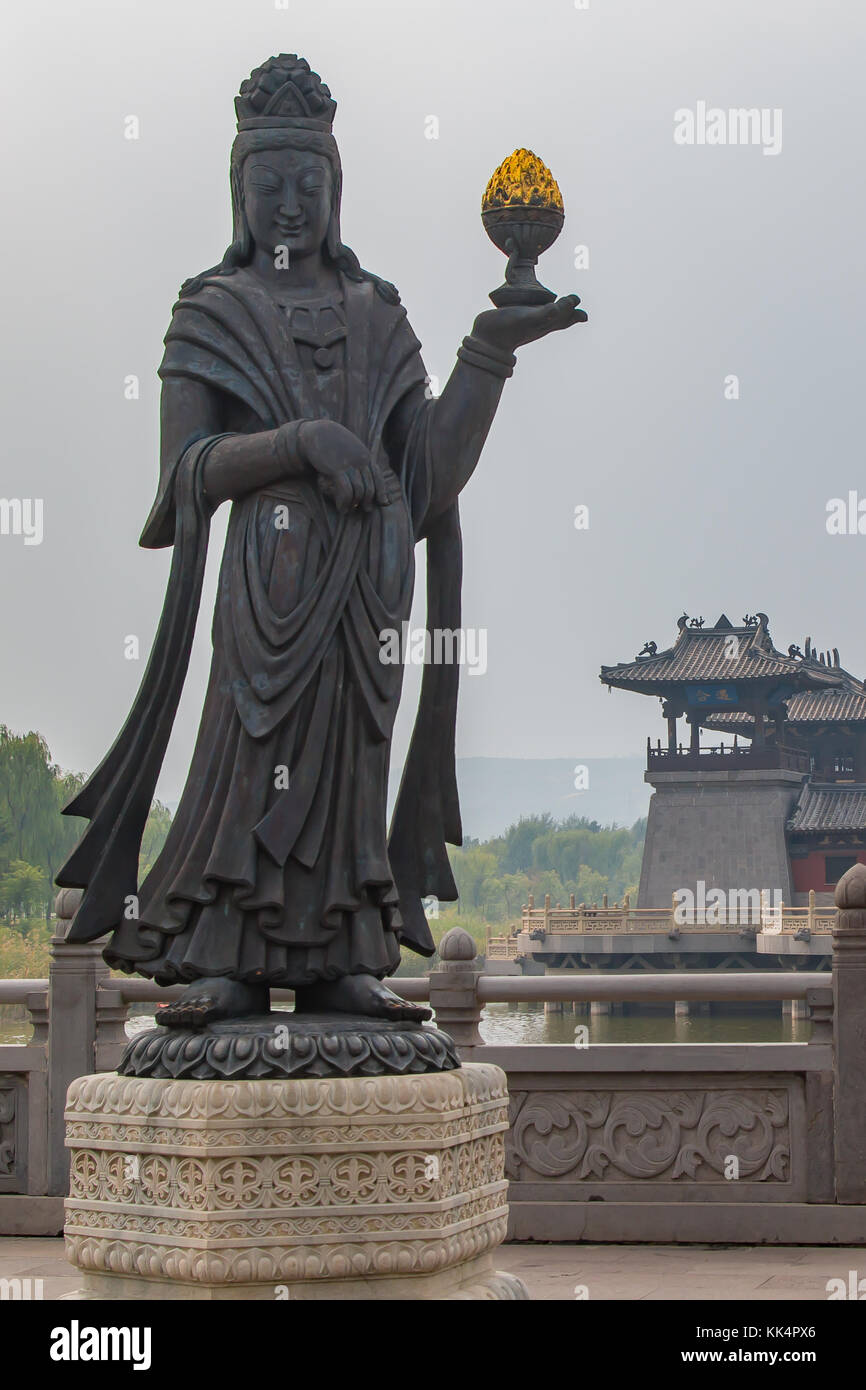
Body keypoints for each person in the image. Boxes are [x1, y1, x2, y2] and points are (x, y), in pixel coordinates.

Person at [57, 55, 586, 1025]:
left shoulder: (375, 312)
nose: (290, 204)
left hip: (367, 589)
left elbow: (422, 476)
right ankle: (224, 951)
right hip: (269, 586)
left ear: (336, 190)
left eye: (309, 183)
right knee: (251, 756)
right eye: (270, 185)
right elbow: (187, 473)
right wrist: (300, 441)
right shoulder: (211, 307)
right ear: (238, 191)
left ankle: (346, 951)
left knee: (349, 770)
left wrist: (487, 356)